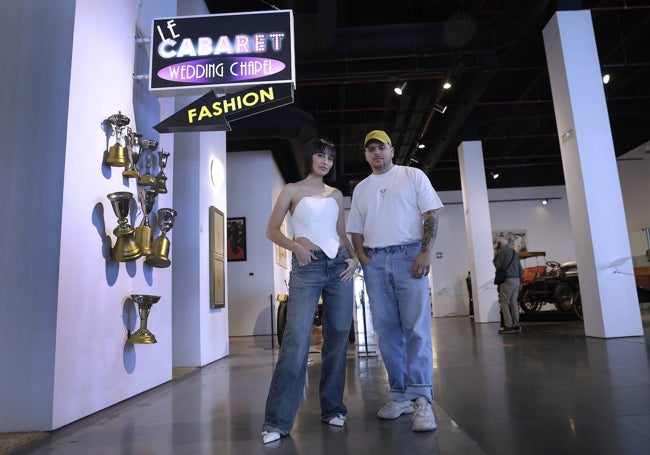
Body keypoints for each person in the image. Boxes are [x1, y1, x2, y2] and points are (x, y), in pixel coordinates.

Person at [261, 138, 359, 444]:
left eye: (331, 157)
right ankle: (277, 421)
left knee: (338, 337)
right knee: (296, 340)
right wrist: (295, 248)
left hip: (339, 267)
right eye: (320, 155)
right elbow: (271, 229)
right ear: (311, 158)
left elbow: (340, 232)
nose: (325, 161)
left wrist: (354, 257)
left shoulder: (336, 193)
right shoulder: (291, 189)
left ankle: (332, 408)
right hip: (308, 266)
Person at [347, 130, 443, 432]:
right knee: (386, 331)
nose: (377, 153)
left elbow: (431, 215)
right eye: (370, 149)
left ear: (392, 149)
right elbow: (356, 228)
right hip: (375, 261)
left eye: (382, 147)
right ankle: (400, 394)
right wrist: (363, 257)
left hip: (409, 254)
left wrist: (425, 253)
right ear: (365, 155)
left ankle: (422, 399)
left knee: (416, 328)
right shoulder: (361, 188)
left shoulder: (412, 175)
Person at [493, 237, 524, 333]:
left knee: (504, 303)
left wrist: (496, 253)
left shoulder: (502, 252)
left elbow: (496, 264)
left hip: (508, 280)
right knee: (514, 302)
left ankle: (508, 326)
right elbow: (520, 268)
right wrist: (521, 282)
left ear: (500, 244)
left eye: (497, 243)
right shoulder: (515, 252)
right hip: (517, 280)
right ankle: (516, 324)